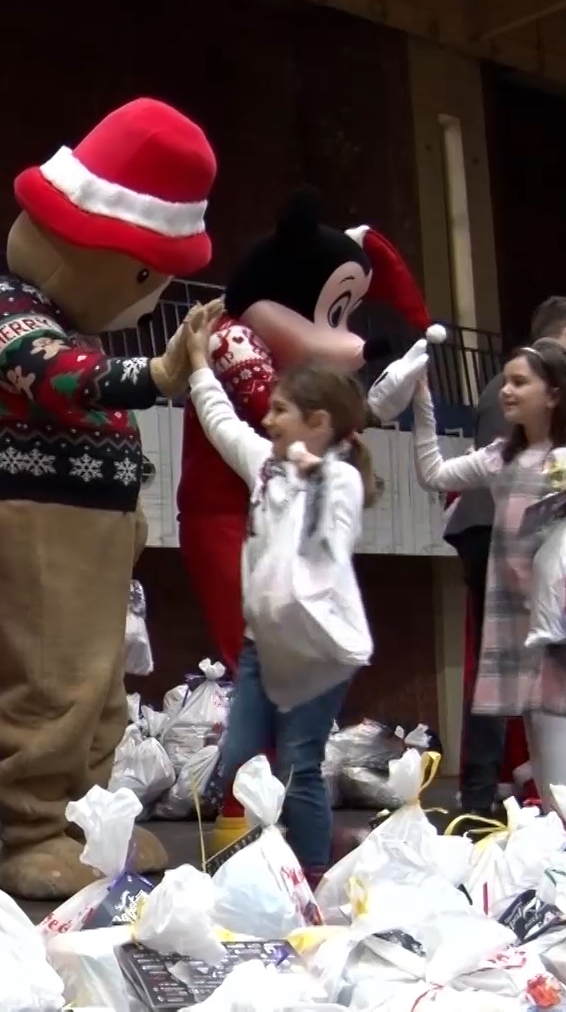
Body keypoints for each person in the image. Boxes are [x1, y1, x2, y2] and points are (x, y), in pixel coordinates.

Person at [182, 299, 374, 878]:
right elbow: (220, 421)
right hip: (264, 648)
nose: (268, 420)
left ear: (318, 424)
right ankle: (267, 860)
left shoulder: (340, 479)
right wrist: (197, 360)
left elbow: (330, 541)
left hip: (317, 648)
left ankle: (312, 871)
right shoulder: (265, 466)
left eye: (282, 411)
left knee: (298, 764)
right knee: (238, 759)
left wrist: (309, 480)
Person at [413, 339, 566, 809]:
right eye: (505, 382)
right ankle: (562, 828)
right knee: (535, 718)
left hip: (558, 605)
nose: (507, 392)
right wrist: (422, 401)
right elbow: (434, 473)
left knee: (551, 712)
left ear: (553, 394)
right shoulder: (501, 456)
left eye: (519, 382)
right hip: (511, 600)